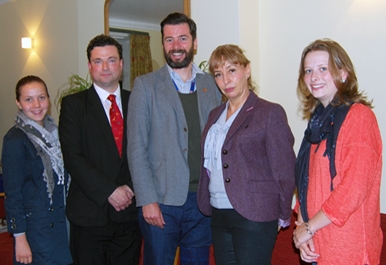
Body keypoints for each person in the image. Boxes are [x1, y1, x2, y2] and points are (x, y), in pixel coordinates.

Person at [127, 12, 222, 265]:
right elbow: (136, 147)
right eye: (169, 40)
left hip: (203, 201)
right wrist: (147, 200)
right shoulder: (145, 86)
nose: (176, 46)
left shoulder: (211, 85)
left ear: (195, 42)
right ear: (162, 45)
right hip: (161, 201)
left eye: (182, 38)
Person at [196, 44, 296, 265]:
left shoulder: (269, 112)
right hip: (218, 212)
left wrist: (282, 213)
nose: (226, 80)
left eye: (232, 70)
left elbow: (285, 169)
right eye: (219, 74)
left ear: (247, 70)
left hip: (255, 214)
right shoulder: (215, 115)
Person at [293, 39, 383, 265]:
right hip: (318, 248)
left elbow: (353, 189)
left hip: (348, 249)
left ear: (343, 73)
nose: (314, 77)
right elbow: (307, 184)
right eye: (308, 71)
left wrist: (309, 228)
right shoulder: (316, 125)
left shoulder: (359, 118)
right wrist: (301, 229)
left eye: (323, 69)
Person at [59, 34, 142, 265]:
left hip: (129, 215)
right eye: (98, 61)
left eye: (111, 60)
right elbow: (73, 157)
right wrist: (110, 190)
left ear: (121, 64)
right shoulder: (73, 105)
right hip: (89, 217)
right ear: (89, 66)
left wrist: (130, 189)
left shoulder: (137, 101)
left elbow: (149, 152)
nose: (105, 67)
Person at [2, 75, 72, 265]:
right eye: (28, 99)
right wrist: (20, 238)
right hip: (35, 232)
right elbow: (13, 194)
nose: (36, 105)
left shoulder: (56, 135)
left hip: (60, 227)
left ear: (48, 99)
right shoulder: (15, 140)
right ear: (18, 103)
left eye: (41, 97)